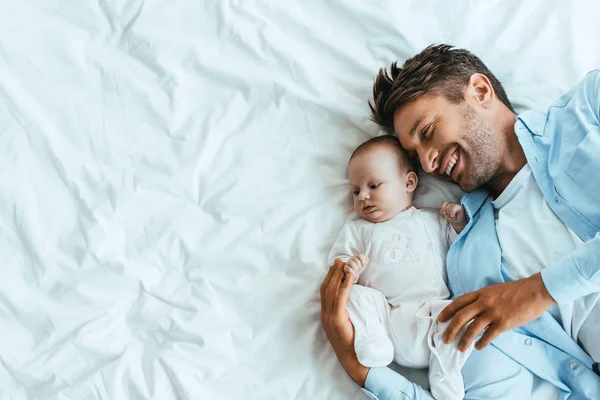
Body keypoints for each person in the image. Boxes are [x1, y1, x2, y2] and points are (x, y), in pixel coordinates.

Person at [320, 44, 600, 399]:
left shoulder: (589, 107)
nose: (428, 164)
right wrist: (360, 367)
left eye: (426, 132)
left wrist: (538, 291)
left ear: (480, 91)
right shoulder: (467, 262)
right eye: (414, 156)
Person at [328, 135, 469, 399]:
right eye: (356, 191)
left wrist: (457, 223)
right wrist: (350, 268)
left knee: (464, 314)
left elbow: (459, 248)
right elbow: (337, 262)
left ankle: (445, 371)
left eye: (373, 185)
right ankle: (372, 341)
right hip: (390, 322)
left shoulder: (429, 219)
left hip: (434, 317)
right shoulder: (359, 229)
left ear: (409, 182)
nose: (363, 197)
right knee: (355, 296)